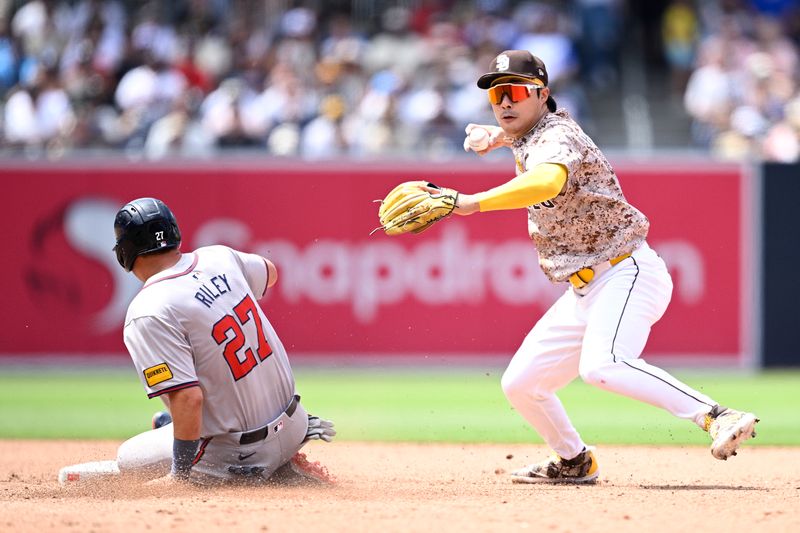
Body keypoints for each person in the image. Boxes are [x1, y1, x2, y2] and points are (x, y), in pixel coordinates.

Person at [454, 50, 758, 484]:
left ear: (543, 95)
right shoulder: (533, 132)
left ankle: (717, 416)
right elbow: (528, 137)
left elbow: (547, 180)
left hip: (625, 271)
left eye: (516, 91)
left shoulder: (555, 136)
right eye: (496, 94)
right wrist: (497, 137)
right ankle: (574, 461)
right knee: (521, 383)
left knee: (603, 365)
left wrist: (472, 203)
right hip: (583, 291)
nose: (505, 102)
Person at [111, 197, 335, 484]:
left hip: (238, 457)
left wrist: (180, 476)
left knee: (128, 458)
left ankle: (243, 466)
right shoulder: (218, 257)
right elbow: (271, 272)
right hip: (295, 425)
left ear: (125, 252)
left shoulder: (148, 310)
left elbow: (188, 398)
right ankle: (282, 459)